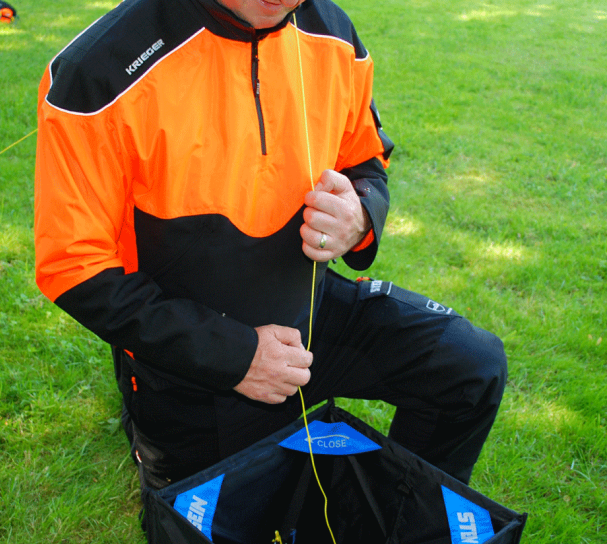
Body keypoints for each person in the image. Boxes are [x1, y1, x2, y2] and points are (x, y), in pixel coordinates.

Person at [34, 0, 507, 490]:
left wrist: (361, 213)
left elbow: (365, 159)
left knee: (471, 367)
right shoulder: (98, 70)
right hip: (189, 369)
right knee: (225, 533)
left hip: (310, 315)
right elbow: (73, 265)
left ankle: (407, 519)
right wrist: (234, 357)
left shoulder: (332, 30)